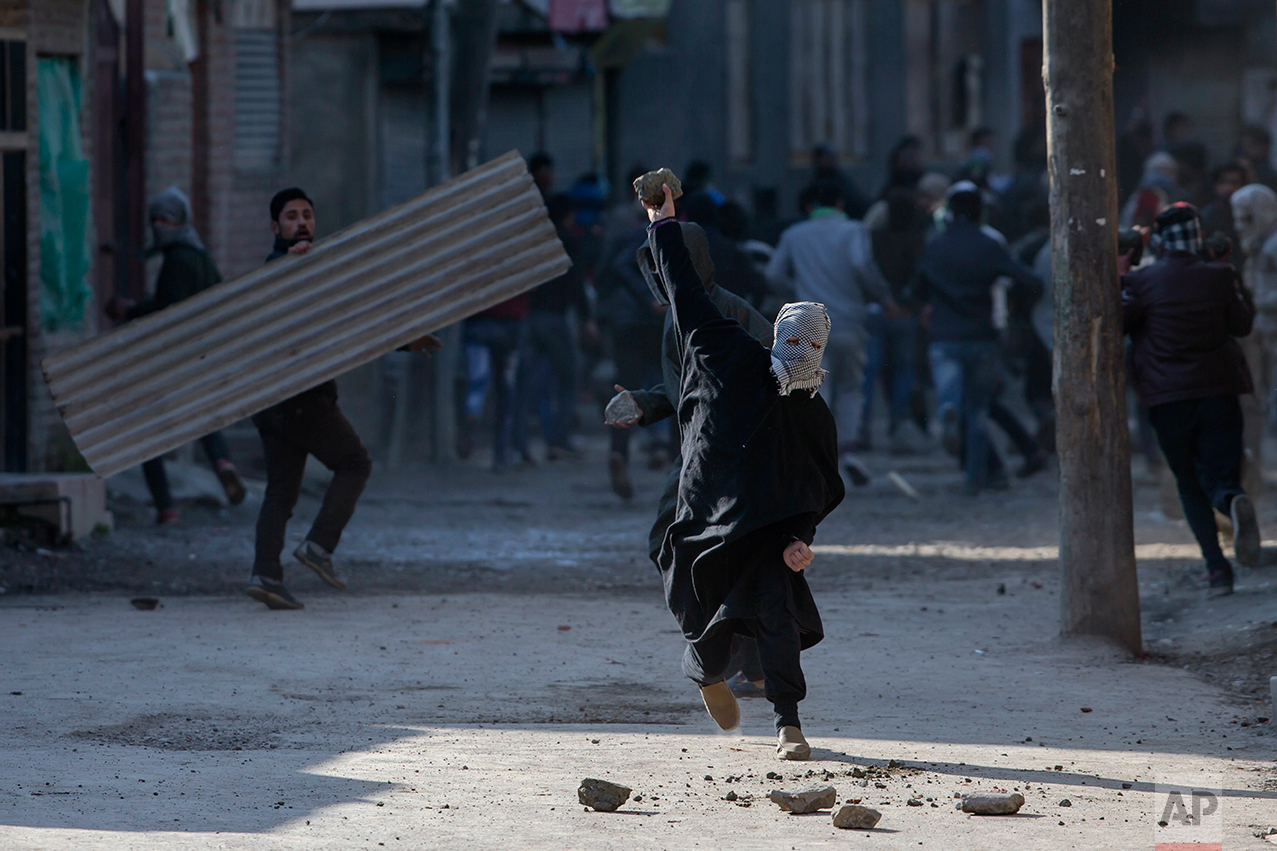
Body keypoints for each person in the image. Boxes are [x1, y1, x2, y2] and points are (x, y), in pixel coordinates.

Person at [641, 182, 845, 760]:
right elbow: (684, 290)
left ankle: (789, 725)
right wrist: (662, 223)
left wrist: (802, 538)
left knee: (777, 615)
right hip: (708, 512)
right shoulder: (728, 352)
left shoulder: (809, 406)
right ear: (779, 337)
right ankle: (704, 670)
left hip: (770, 525)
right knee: (710, 612)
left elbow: (819, 479)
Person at [246, 188, 441, 610]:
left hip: (270, 405)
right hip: (302, 400)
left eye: (307, 216)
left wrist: (407, 343)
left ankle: (265, 575)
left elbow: (348, 325)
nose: (301, 223)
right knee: (355, 463)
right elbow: (350, 328)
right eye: (292, 216)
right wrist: (406, 344)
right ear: (275, 227)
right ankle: (318, 547)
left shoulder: (304, 268)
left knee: (280, 492)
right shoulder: (284, 271)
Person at [606, 218, 775, 695]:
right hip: (697, 450)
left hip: (733, 451)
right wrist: (645, 403)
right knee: (671, 541)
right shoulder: (675, 318)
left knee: (737, 552)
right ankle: (722, 648)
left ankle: (747, 661)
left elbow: (776, 363)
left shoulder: (728, 310)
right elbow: (688, 387)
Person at [1123, 203, 1261, 596]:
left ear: (1161, 240)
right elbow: (1242, 324)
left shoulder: (1143, 281)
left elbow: (1117, 324)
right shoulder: (1219, 276)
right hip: (1219, 389)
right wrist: (1229, 276)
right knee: (1220, 472)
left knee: (1187, 480)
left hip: (1168, 398)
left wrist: (1119, 275)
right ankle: (1231, 499)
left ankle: (1217, 570)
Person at [106, 187, 246, 523]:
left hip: (170, 359)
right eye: (155, 219)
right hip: (202, 355)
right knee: (202, 413)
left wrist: (129, 311)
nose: (160, 225)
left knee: (146, 431)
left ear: (180, 219)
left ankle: (165, 506)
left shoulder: (176, 259)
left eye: (166, 218)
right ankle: (222, 462)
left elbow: (166, 308)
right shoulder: (200, 256)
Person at [911, 185, 1043, 494]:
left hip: (944, 334)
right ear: (981, 212)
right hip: (982, 335)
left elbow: (916, 290)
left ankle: (947, 412)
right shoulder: (988, 245)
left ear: (951, 212)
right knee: (979, 411)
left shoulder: (936, 245)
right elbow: (1027, 280)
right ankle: (975, 479)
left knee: (951, 392)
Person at [765, 180, 892, 481]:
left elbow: (772, 274)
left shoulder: (793, 235)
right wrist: (883, 298)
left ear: (807, 207)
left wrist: (793, 292)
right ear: (840, 204)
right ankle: (848, 451)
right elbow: (863, 266)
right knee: (850, 387)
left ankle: (814, 457)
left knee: (813, 391)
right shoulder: (854, 231)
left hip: (807, 325)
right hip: (849, 321)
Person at [512, 194, 594, 463]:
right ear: (568, 216)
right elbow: (576, 284)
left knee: (525, 385)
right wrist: (586, 318)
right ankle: (558, 441)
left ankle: (519, 445)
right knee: (569, 380)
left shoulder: (535, 243)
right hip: (555, 320)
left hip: (530, 318)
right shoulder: (569, 242)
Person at [865, 187, 927, 453]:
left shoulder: (873, 239)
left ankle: (862, 425)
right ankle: (898, 421)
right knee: (903, 369)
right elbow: (920, 276)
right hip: (904, 312)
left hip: (876, 310)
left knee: (870, 370)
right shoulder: (917, 240)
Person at [812, 143, 870, 220]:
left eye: (824, 157)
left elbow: (856, 203)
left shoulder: (841, 180)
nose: (822, 160)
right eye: (819, 157)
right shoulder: (816, 179)